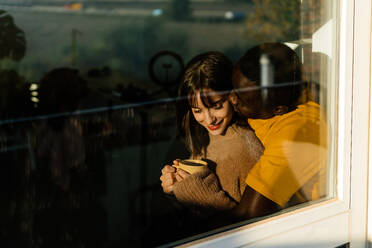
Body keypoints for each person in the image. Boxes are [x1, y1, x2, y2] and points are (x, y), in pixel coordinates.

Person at [227, 42, 328, 220]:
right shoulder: (266, 104)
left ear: (278, 109)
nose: (231, 99)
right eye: (232, 88)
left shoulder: (299, 131)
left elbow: (249, 214)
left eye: (241, 100)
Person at [160, 51, 264, 213]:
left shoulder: (245, 148)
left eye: (217, 106)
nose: (209, 120)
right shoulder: (201, 136)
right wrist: (175, 186)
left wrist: (193, 190)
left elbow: (245, 223)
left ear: (233, 96)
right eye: (197, 110)